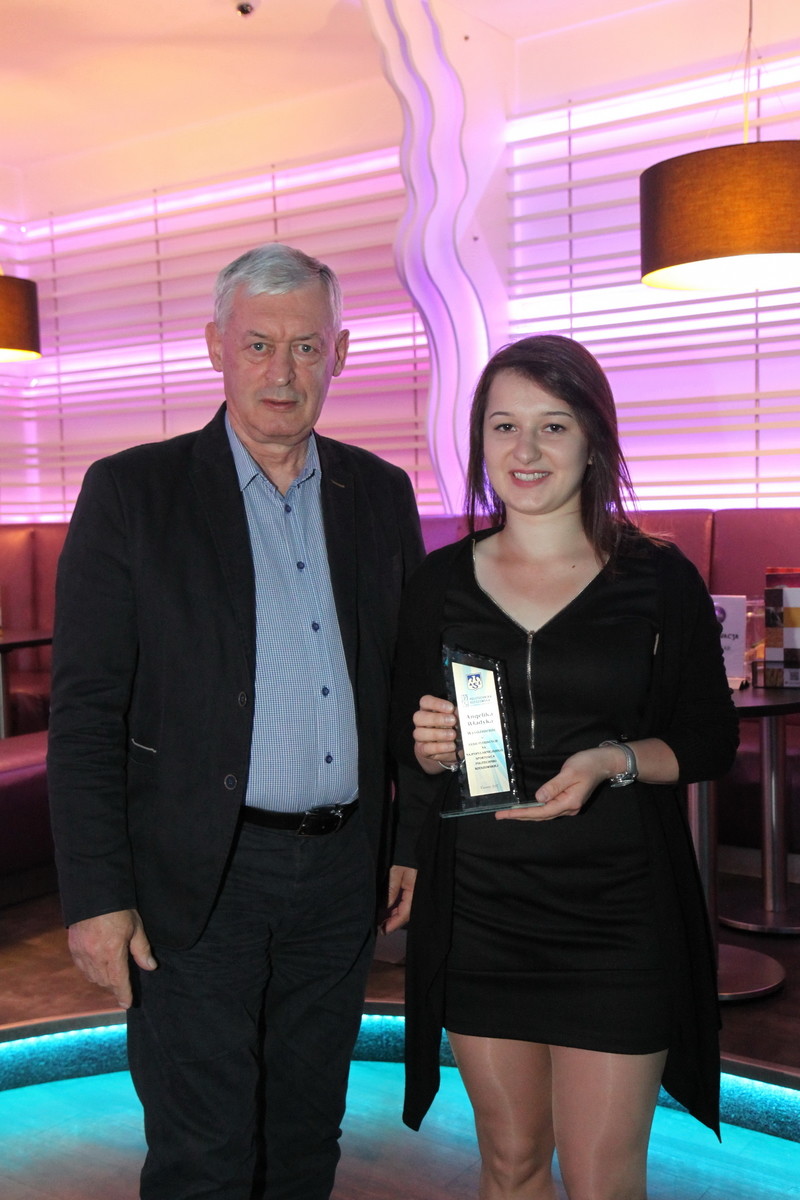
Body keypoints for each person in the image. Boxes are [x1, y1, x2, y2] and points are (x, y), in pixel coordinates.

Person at [47, 242, 424, 1200]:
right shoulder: (132, 493)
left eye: (306, 347)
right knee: (203, 1154)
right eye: (259, 344)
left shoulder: (381, 494)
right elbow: (85, 715)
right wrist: (95, 895)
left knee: (306, 1138)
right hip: (196, 878)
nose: (281, 373)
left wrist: (412, 840)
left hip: (341, 876)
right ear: (216, 346)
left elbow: (409, 687)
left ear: (339, 354)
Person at [384, 335, 738, 1200]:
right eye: (504, 425)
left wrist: (615, 758)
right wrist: (426, 745)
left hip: (618, 910)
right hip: (482, 907)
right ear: (479, 440)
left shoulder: (658, 578)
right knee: (509, 1164)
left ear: (592, 439)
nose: (527, 450)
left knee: (601, 1180)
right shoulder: (436, 583)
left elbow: (709, 737)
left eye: (554, 425)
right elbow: (415, 742)